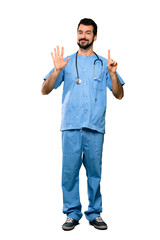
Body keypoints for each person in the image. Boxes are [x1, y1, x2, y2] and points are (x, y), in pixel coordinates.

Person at [41, 18, 125, 231]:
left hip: (95, 127)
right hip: (71, 126)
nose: (83, 36)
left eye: (88, 33)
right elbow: (45, 89)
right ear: (76, 34)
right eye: (80, 32)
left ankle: (95, 213)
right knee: (69, 172)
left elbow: (119, 94)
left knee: (94, 172)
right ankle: (72, 213)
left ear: (95, 36)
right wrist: (57, 71)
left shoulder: (104, 64)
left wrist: (113, 76)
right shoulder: (66, 62)